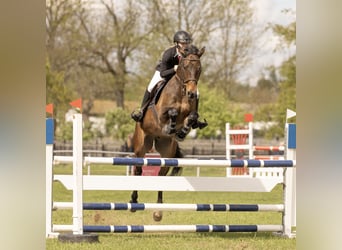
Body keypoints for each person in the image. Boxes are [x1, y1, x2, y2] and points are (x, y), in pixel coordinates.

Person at [131, 30, 207, 129]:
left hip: (180, 76)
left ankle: (195, 119)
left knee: (196, 92)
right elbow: (163, 73)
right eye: (183, 43)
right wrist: (174, 69)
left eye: (187, 43)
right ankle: (141, 111)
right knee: (151, 86)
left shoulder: (189, 52)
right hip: (164, 72)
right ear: (177, 44)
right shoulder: (169, 53)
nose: (185, 45)